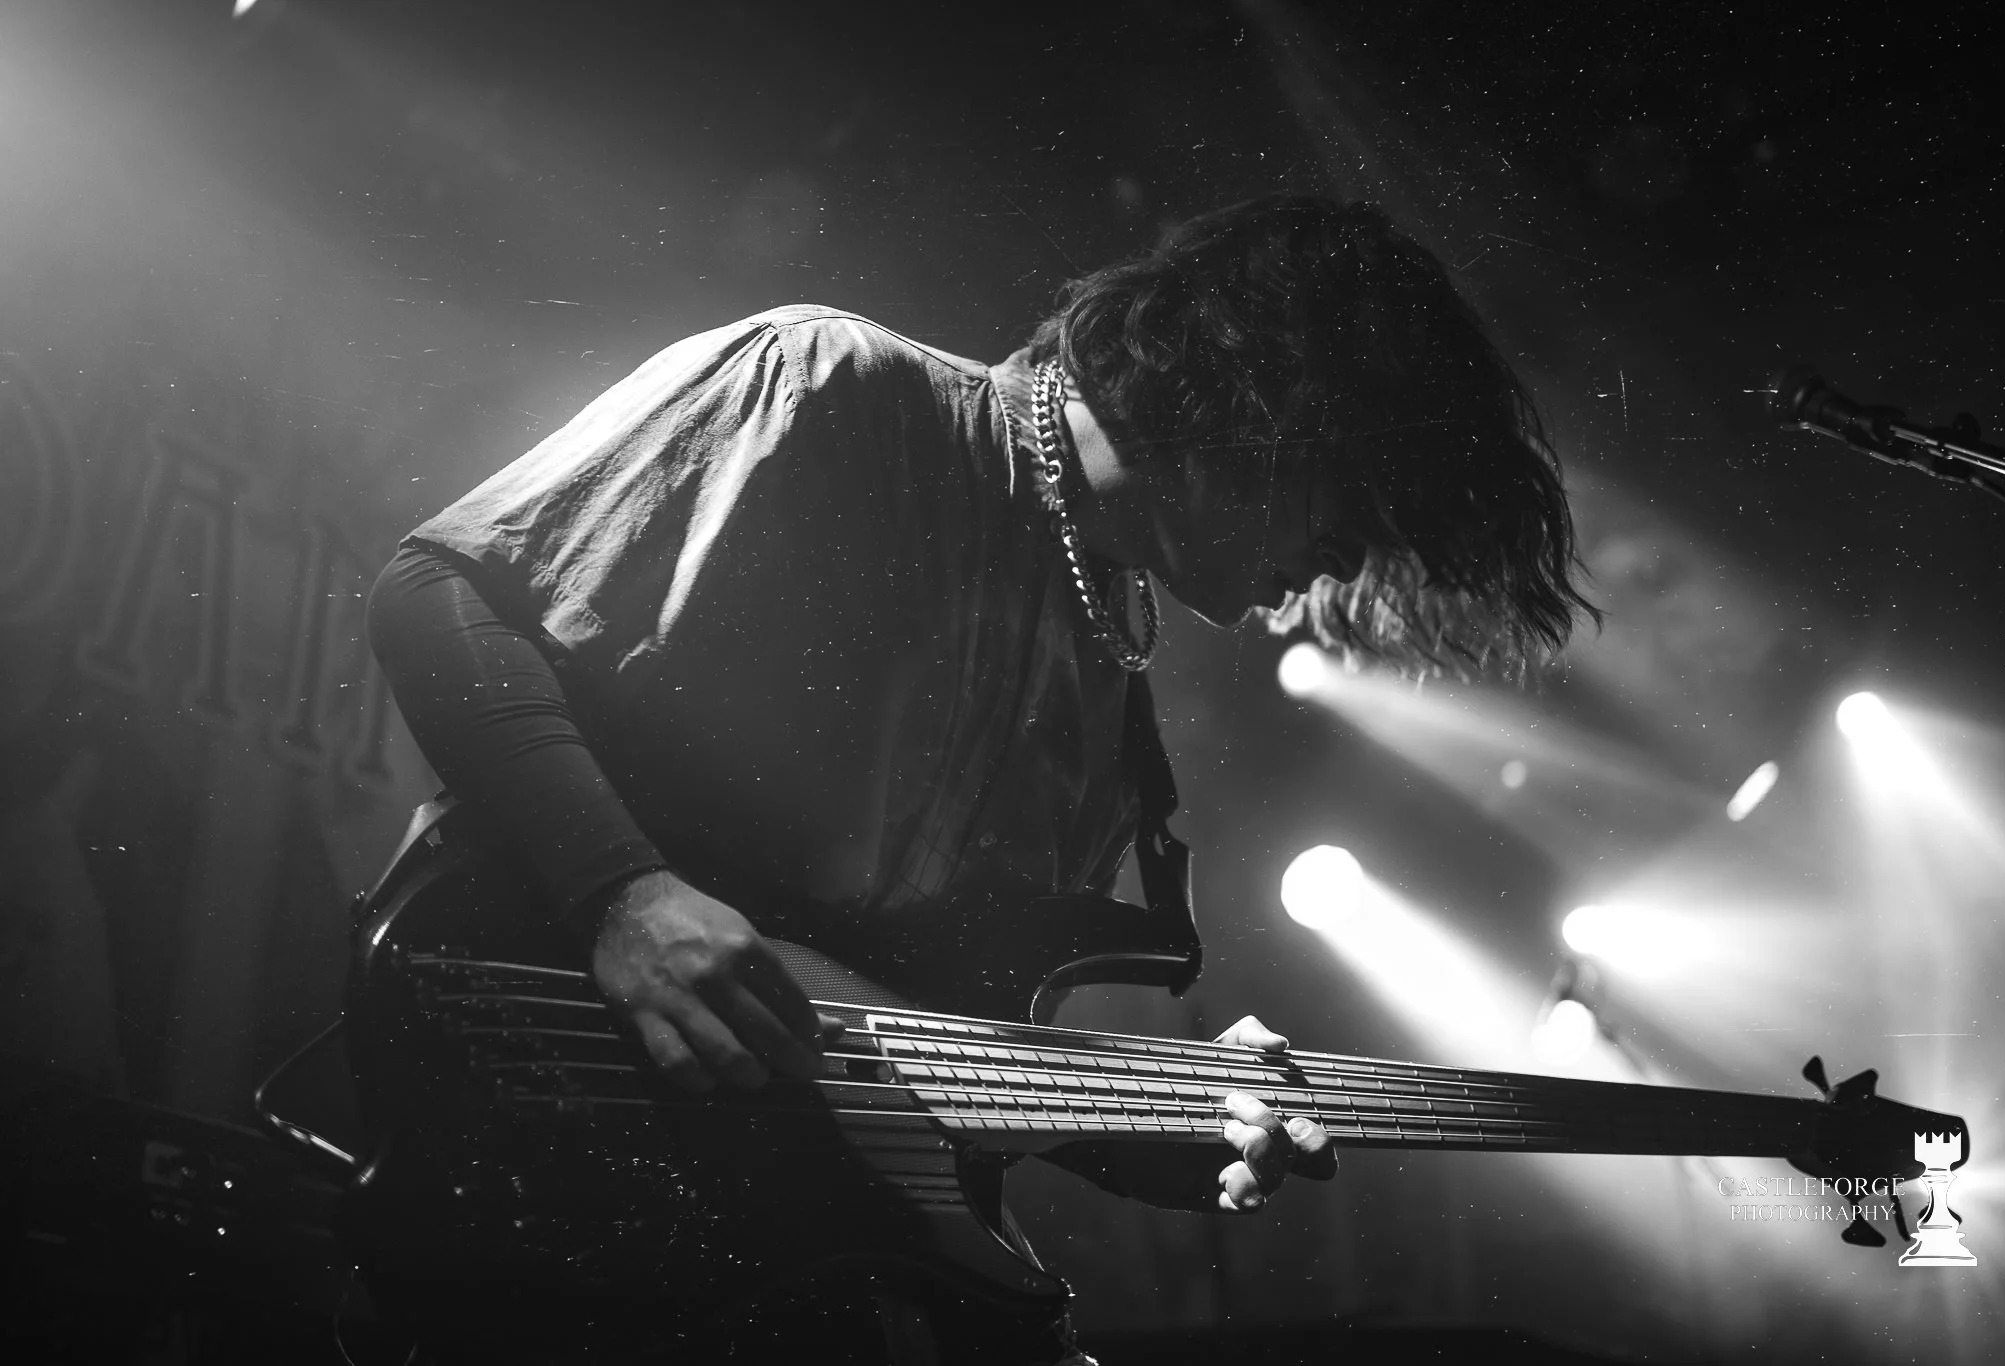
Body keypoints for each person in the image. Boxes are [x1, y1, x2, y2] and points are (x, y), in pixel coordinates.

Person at [361, 195, 1591, 1363]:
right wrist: (622, 896)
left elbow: (919, 1038)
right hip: (538, 1095)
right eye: (1358, 493)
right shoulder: (833, 381)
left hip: (774, 1247)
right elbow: (438, 587)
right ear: (1260, 395)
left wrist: (1149, 1124)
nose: (1351, 555)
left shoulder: (1112, 670)